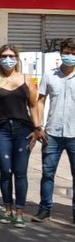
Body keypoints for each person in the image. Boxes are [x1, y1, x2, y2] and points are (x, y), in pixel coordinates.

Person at [0, 44, 42, 228]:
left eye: (11, 56)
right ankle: (7, 209)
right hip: (0, 131)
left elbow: (33, 105)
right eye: (4, 56)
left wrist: (37, 128)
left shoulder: (27, 79)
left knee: (20, 172)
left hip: (23, 130)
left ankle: (20, 212)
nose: (8, 59)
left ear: (17, 58)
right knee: (6, 171)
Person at [33, 38, 75, 223]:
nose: (70, 56)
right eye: (67, 53)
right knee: (47, 173)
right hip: (52, 133)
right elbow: (40, 101)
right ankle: (44, 209)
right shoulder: (49, 75)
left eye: (73, 53)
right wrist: (38, 126)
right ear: (60, 53)